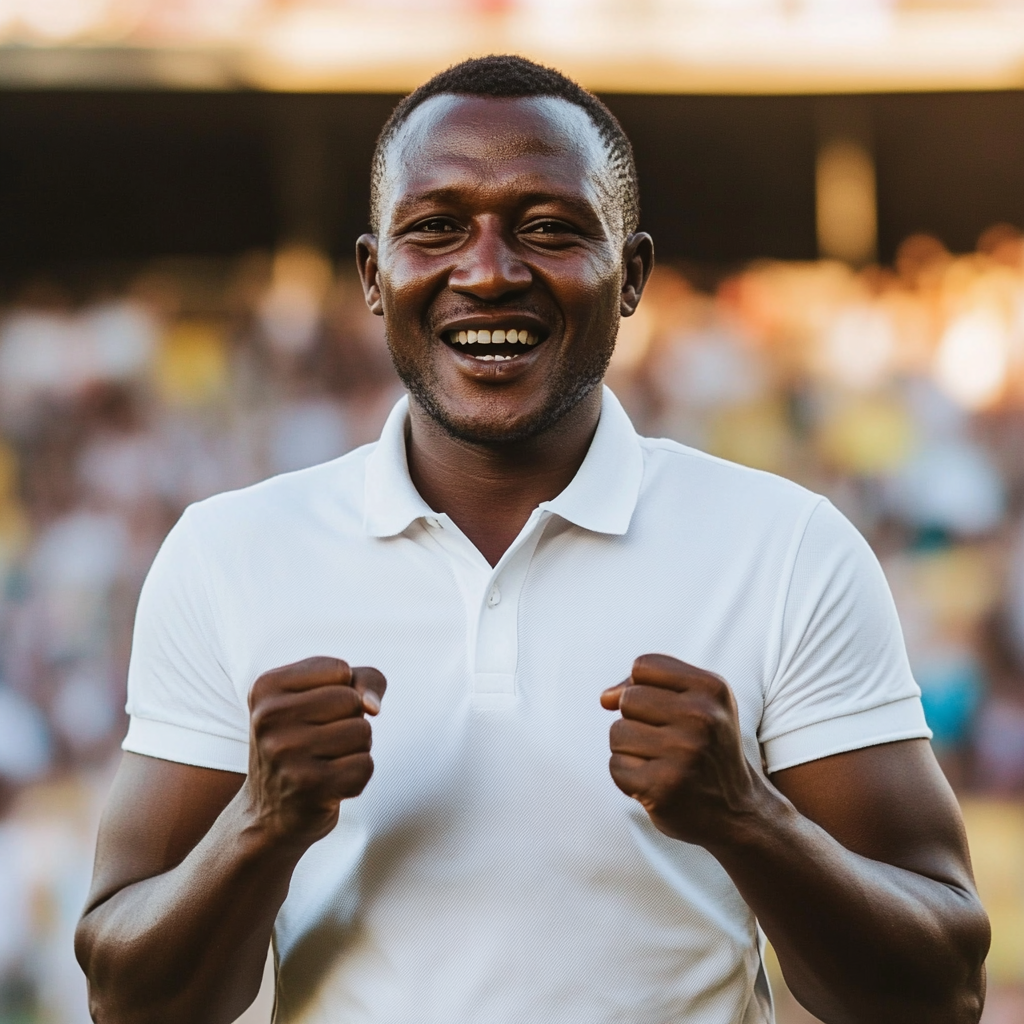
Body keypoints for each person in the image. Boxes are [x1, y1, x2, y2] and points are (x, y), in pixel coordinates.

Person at [75, 56, 989, 1024]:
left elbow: (938, 991)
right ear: (372, 275)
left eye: (549, 229)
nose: (488, 271)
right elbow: (132, 999)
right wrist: (259, 825)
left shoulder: (787, 544)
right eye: (433, 228)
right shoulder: (230, 551)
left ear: (630, 275)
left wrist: (746, 816)